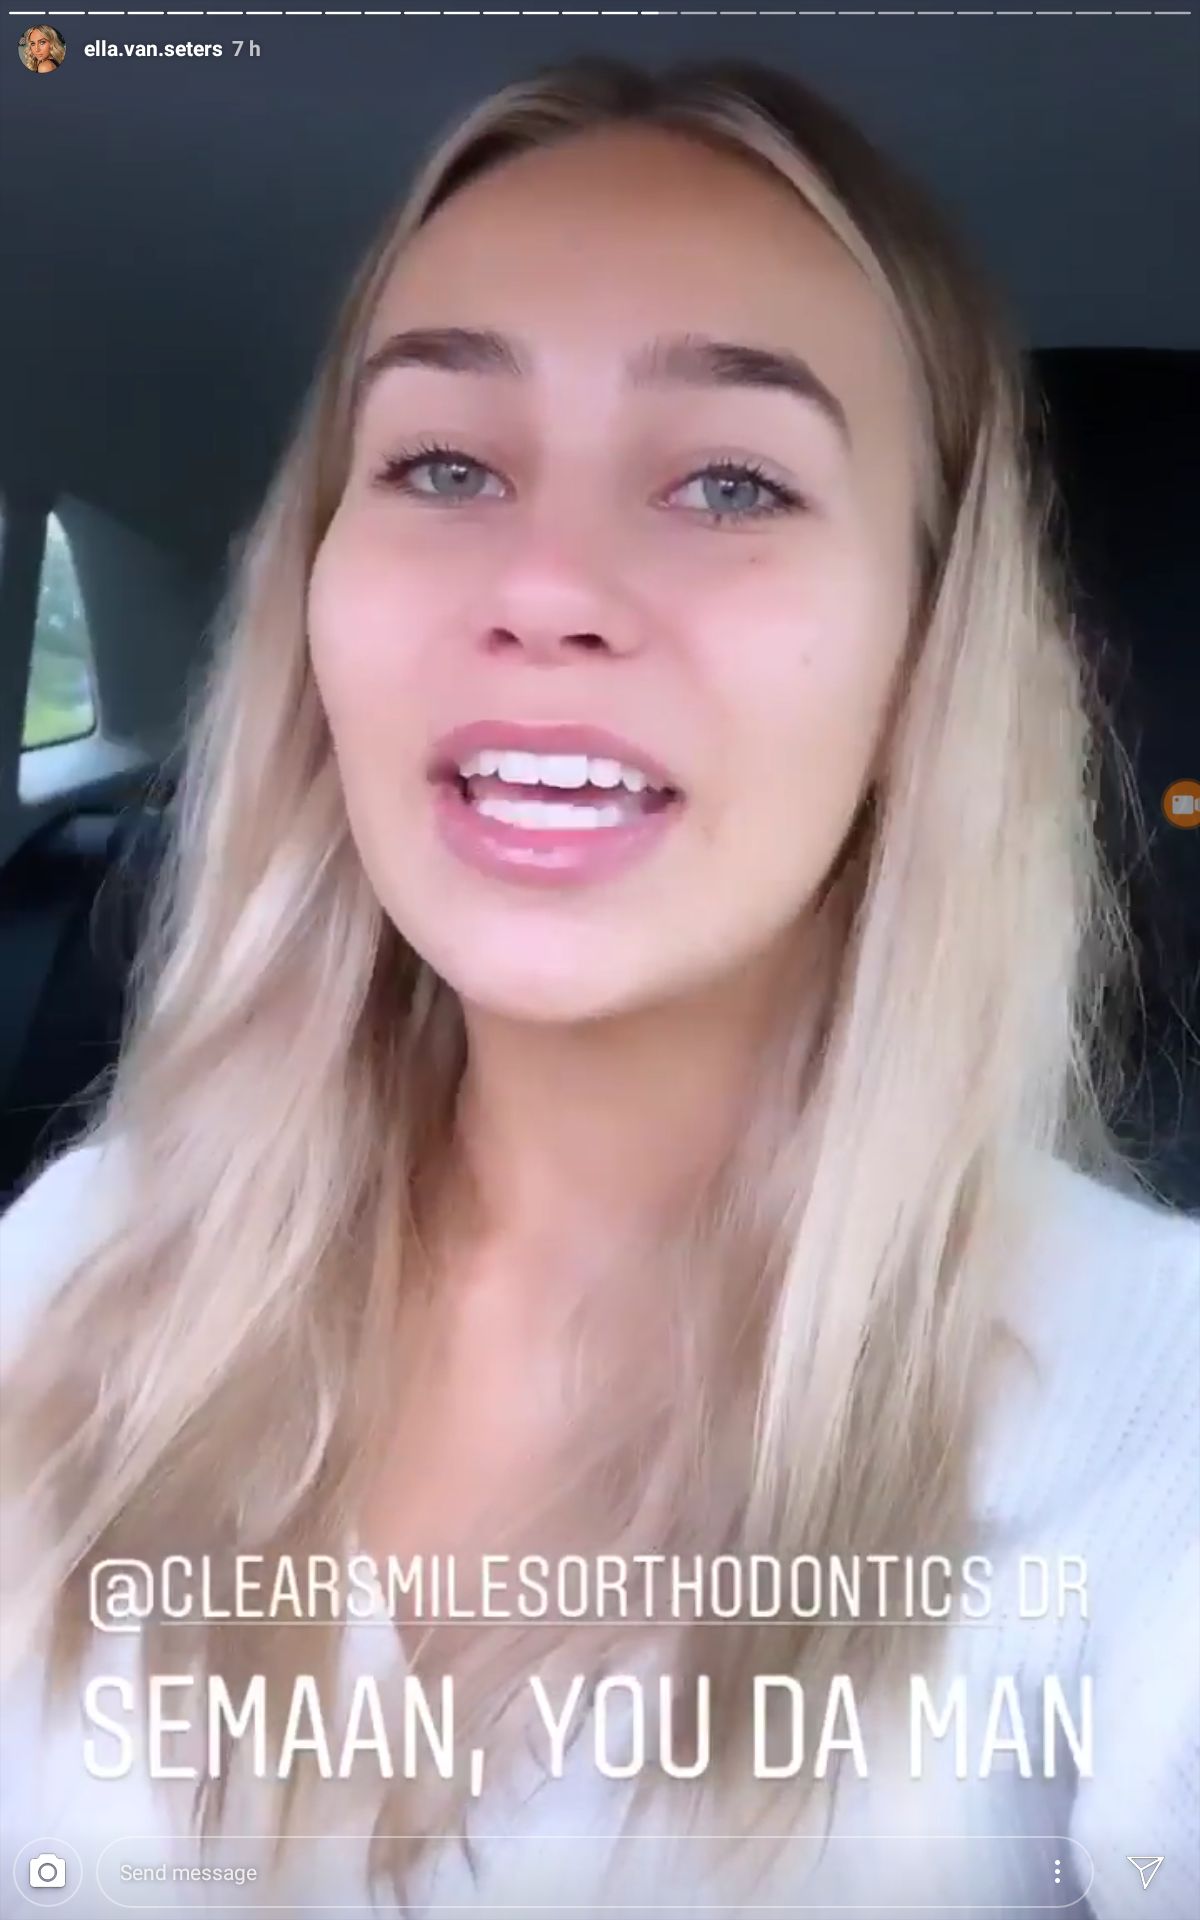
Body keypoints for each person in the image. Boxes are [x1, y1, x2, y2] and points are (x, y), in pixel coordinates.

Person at [1, 52, 1197, 1920]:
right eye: (444, 465)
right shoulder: (76, 1261)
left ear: (923, 658)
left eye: (730, 481)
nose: (547, 584)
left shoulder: (1156, 1429)